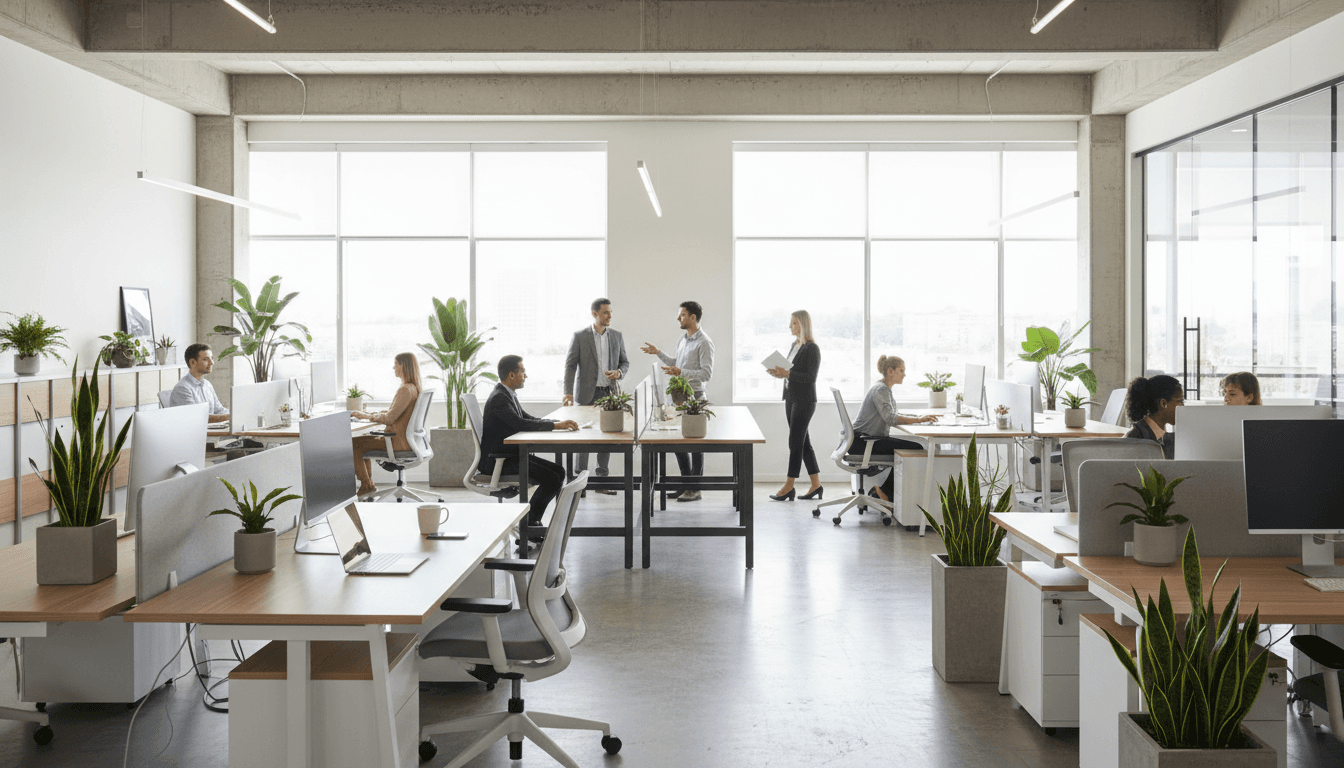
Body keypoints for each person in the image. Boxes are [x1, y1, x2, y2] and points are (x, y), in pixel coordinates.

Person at [480, 355, 578, 525]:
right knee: (553, 478)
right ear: (511, 375)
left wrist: (556, 423)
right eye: (523, 372)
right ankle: (530, 524)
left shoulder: (507, 394)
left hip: (509, 456)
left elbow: (527, 418)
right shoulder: (499, 399)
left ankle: (531, 521)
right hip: (499, 462)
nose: (525, 376)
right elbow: (521, 423)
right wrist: (556, 426)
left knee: (559, 472)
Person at [640, 301, 715, 502]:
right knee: (678, 443)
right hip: (680, 399)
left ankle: (695, 489)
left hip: (696, 399)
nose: (678, 318)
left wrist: (681, 372)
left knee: (696, 447)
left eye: (682, 315)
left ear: (692, 317)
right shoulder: (683, 340)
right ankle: (686, 485)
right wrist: (658, 353)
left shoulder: (704, 342)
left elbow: (706, 374)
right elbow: (677, 364)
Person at [562, 298, 630, 493]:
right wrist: (567, 392)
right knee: (583, 437)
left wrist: (619, 373)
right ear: (595, 314)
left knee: (605, 438)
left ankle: (602, 481)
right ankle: (579, 484)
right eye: (606, 312)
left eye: (610, 312)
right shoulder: (580, 336)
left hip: (609, 394)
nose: (610, 316)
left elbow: (624, 362)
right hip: (586, 394)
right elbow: (570, 365)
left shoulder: (616, 336)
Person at [851, 355, 939, 502]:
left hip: (865, 440)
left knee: (913, 447)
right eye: (901, 370)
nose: (904, 374)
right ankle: (885, 493)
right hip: (864, 442)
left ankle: (883, 491)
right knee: (916, 448)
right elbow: (890, 419)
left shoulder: (884, 389)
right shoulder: (881, 390)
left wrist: (920, 417)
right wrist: (918, 420)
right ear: (891, 371)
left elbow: (893, 414)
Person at [766, 310, 822, 502]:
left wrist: (787, 374)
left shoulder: (812, 349)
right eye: (791, 323)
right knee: (804, 442)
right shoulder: (795, 345)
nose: (791, 326)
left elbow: (810, 377)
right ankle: (816, 485)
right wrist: (779, 373)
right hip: (791, 397)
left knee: (795, 442)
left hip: (805, 400)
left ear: (803, 324)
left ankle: (789, 486)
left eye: (794, 323)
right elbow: (792, 371)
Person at [350, 352, 422, 498]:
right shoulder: (413, 388)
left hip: (397, 442)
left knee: (353, 444)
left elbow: (389, 418)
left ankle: (367, 486)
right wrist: (372, 413)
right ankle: (367, 485)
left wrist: (365, 416)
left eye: (396, 365)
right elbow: (395, 413)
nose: (393, 368)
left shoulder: (404, 390)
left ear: (404, 367)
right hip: (407, 441)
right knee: (360, 442)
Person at [1124, 374, 1183, 460]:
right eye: (1179, 401)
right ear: (1163, 404)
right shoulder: (1136, 438)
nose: (1182, 406)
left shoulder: (1163, 437)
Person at [169, 343, 231, 424]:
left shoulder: (207, 384)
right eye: (206, 359)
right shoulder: (183, 389)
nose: (211, 363)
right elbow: (198, 418)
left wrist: (235, 414)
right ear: (192, 363)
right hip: (194, 434)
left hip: (210, 430)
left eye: (212, 358)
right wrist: (230, 416)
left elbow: (219, 410)